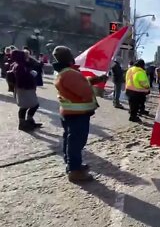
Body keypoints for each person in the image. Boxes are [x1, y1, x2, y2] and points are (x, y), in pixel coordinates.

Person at [52, 46, 108, 182]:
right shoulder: (70, 73)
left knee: (70, 140)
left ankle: (72, 165)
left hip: (71, 112)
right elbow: (85, 92)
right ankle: (74, 171)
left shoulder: (66, 72)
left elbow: (81, 83)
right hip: (77, 114)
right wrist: (93, 89)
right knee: (76, 142)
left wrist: (96, 80)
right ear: (68, 57)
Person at [9, 50, 42, 131]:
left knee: (32, 105)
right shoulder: (19, 66)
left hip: (26, 88)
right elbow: (22, 78)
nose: (27, 57)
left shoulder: (21, 65)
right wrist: (31, 75)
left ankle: (29, 121)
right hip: (24, 88)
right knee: (25, 106)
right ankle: (22, 123)